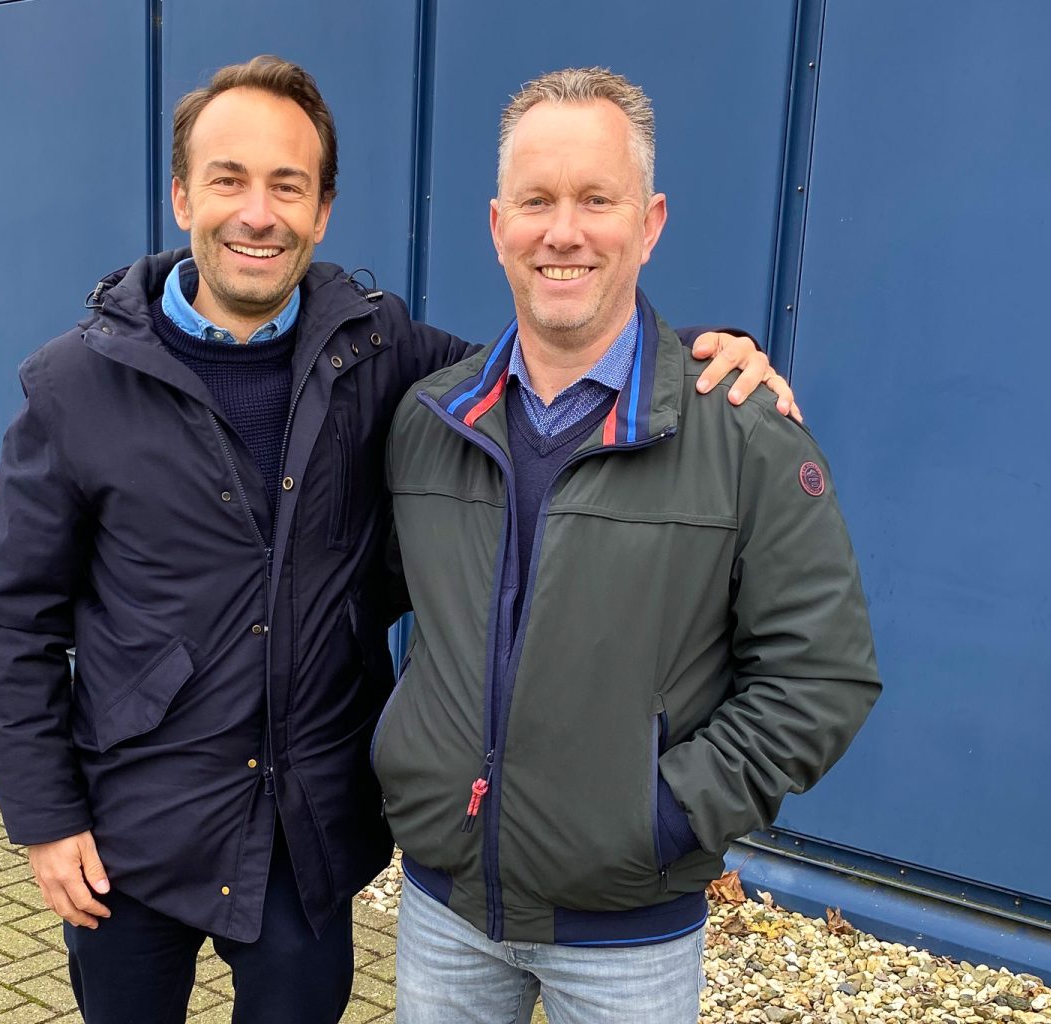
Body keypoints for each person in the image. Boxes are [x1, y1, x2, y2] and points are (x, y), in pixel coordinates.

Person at [0, 56, 794, 1024]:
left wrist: (700, 350)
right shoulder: (75, 385)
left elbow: (548, 363)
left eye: (289, 186)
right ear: (184, 195)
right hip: (131, 827)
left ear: (323, 211)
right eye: (229, 180)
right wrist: (47, 816)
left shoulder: (379, 351)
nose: (258, 214)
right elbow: (12, 621)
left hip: (306, 836)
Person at [376, 67, 882, 1024]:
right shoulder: (429, 421)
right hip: (444, 911)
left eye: (596, 200)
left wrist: (664, 817)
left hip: (628, 935)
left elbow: (821, 674)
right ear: (498, 225)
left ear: (648, 224)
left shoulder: (744, 435)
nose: (563, 231)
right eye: (537, 201)